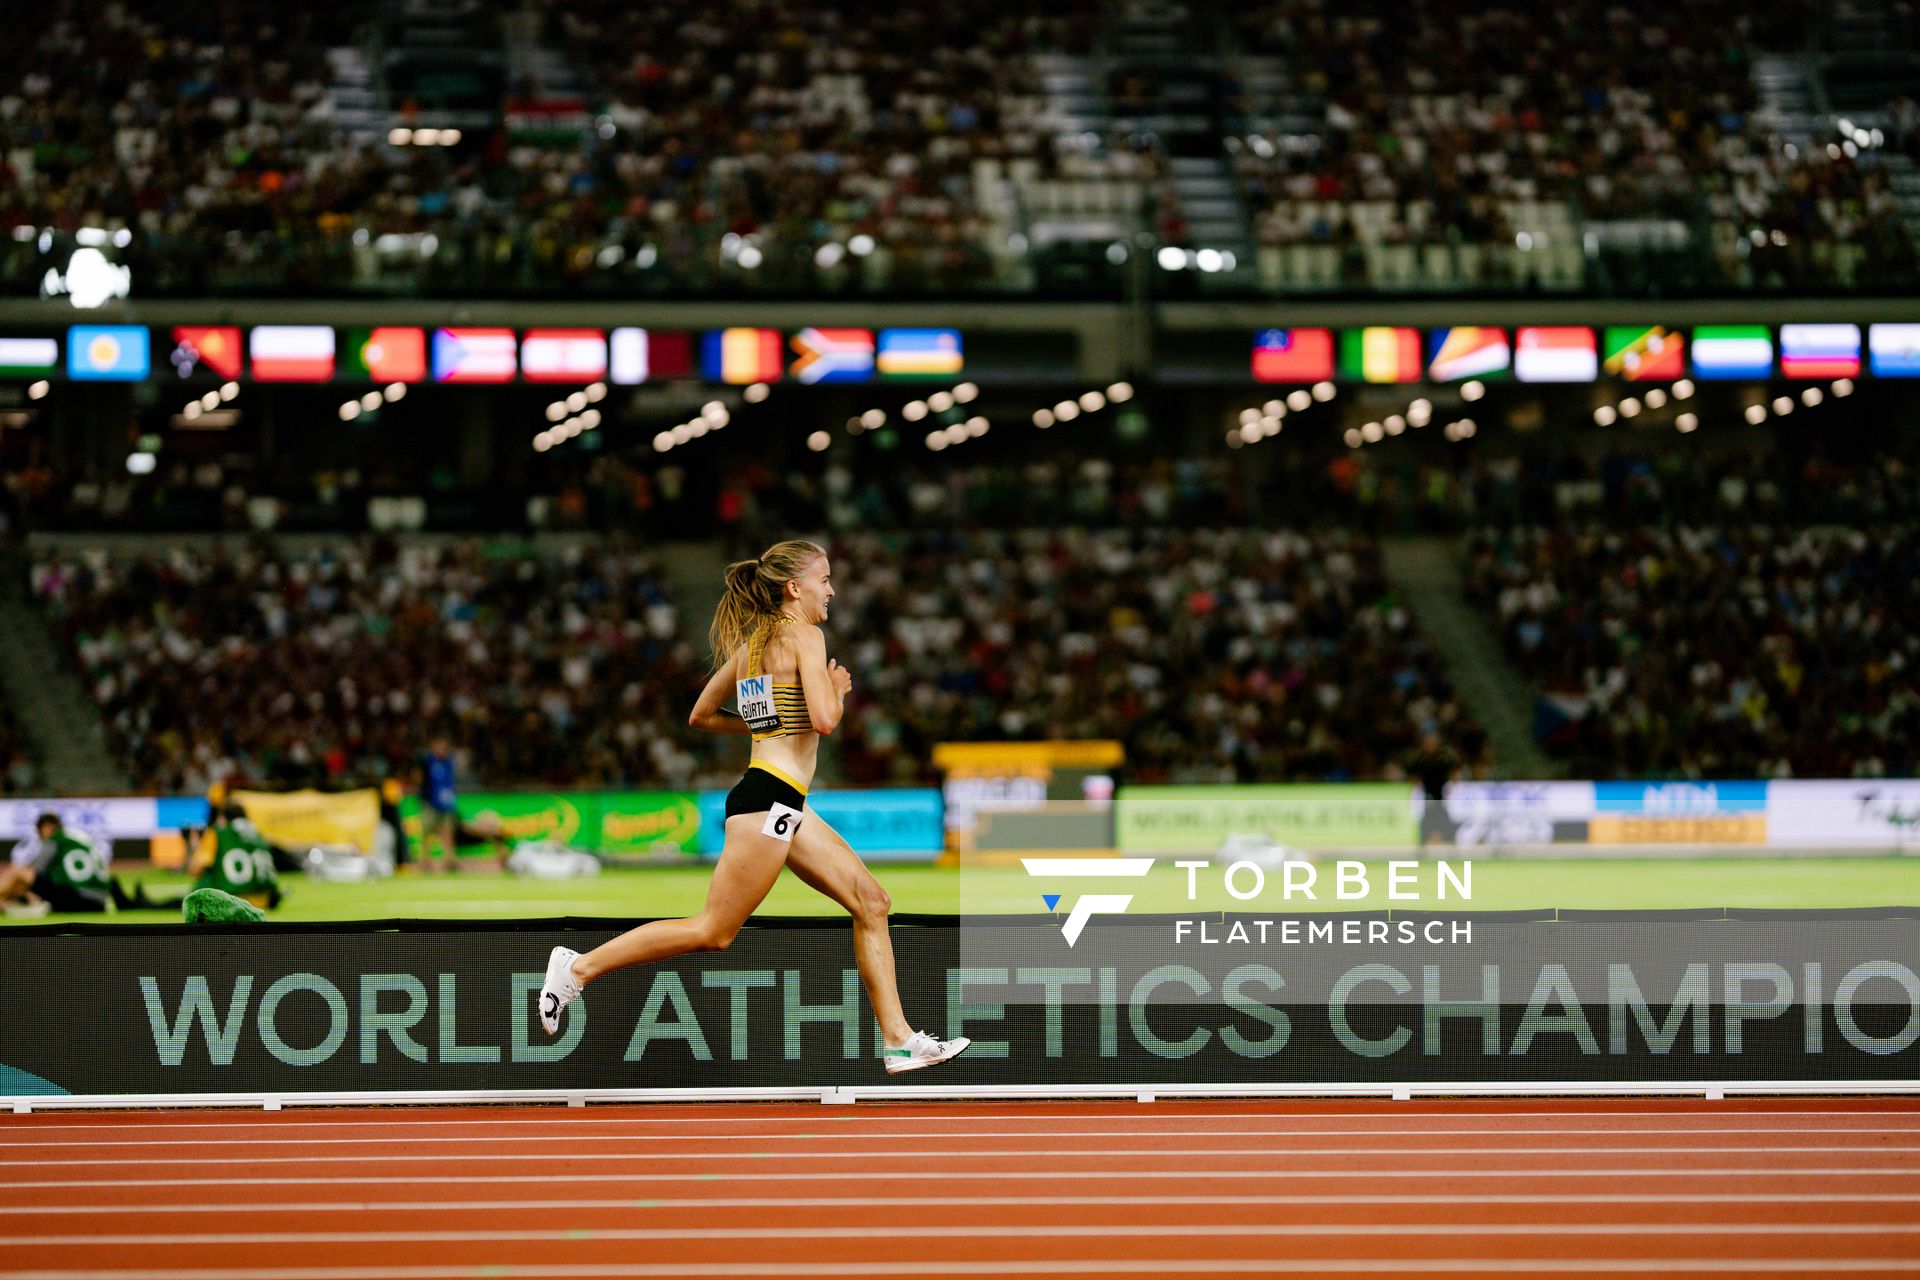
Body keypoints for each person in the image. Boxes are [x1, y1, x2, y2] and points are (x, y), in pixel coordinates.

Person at [537, 539, 969, 1074]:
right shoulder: (808, 637)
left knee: (872, 901)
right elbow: (826, 721)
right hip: (770, 801)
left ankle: (900, 1039)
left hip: (778, 798)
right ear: (795, 588)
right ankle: (577, 968)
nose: (831, 590)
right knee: (713, 931)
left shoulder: (753, 645)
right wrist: (837, 689)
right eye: (824, 579)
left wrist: (766, 725)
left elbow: (700, 714)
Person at [0, 812, 174, 915]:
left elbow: (36, 870)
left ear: (46, 828)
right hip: (99, 901)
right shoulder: (77, 837)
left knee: (18, 872)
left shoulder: (55, 839)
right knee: (27, 881)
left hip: (77, 896)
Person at [418, 734, 461, 873]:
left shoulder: (448, 762)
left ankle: (449, 861)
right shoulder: (427, 762)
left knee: (448, 833)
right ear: (433, 747)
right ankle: (425, 862)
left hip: (446, 805)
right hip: (430, 804)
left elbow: (449, 783)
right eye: (439, 746)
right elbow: (421, 781)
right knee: (428, 834)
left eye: (444, 747)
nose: (442, 749)